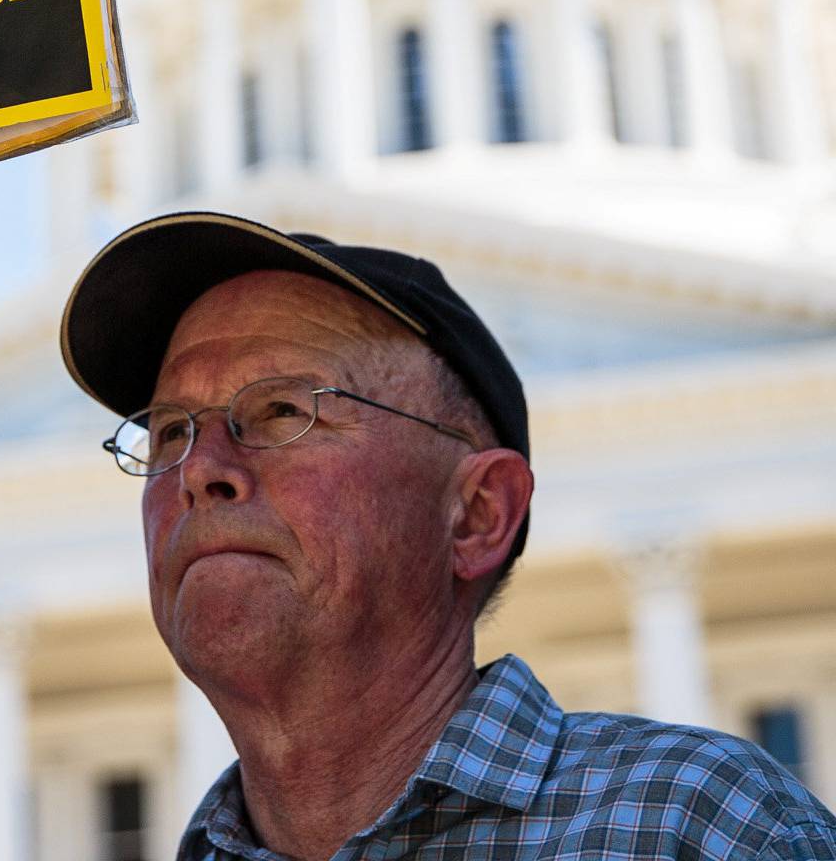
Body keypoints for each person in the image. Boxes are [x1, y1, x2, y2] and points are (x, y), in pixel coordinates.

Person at [60, 210, 836, 860]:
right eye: (168, 433)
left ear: (476, 514)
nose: (200, 469)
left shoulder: (704, 828)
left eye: (283, 411)